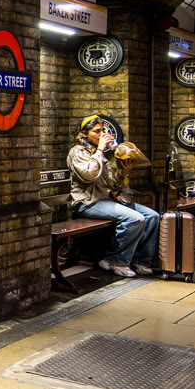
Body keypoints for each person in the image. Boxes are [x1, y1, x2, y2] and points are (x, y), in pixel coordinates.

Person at [67, 116, 161, 278]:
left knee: (153, 216)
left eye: (103, 130)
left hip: (107, 200)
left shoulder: (103, 153)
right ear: (84, 134)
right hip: (88, 202)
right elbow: (89, 175)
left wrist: (123, 172)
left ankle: (140, 261)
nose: (102, 134)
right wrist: (100, 150)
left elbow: (111, 183)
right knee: (134, 218)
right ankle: (115, 260)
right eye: (97, 131)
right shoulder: (77, 152)